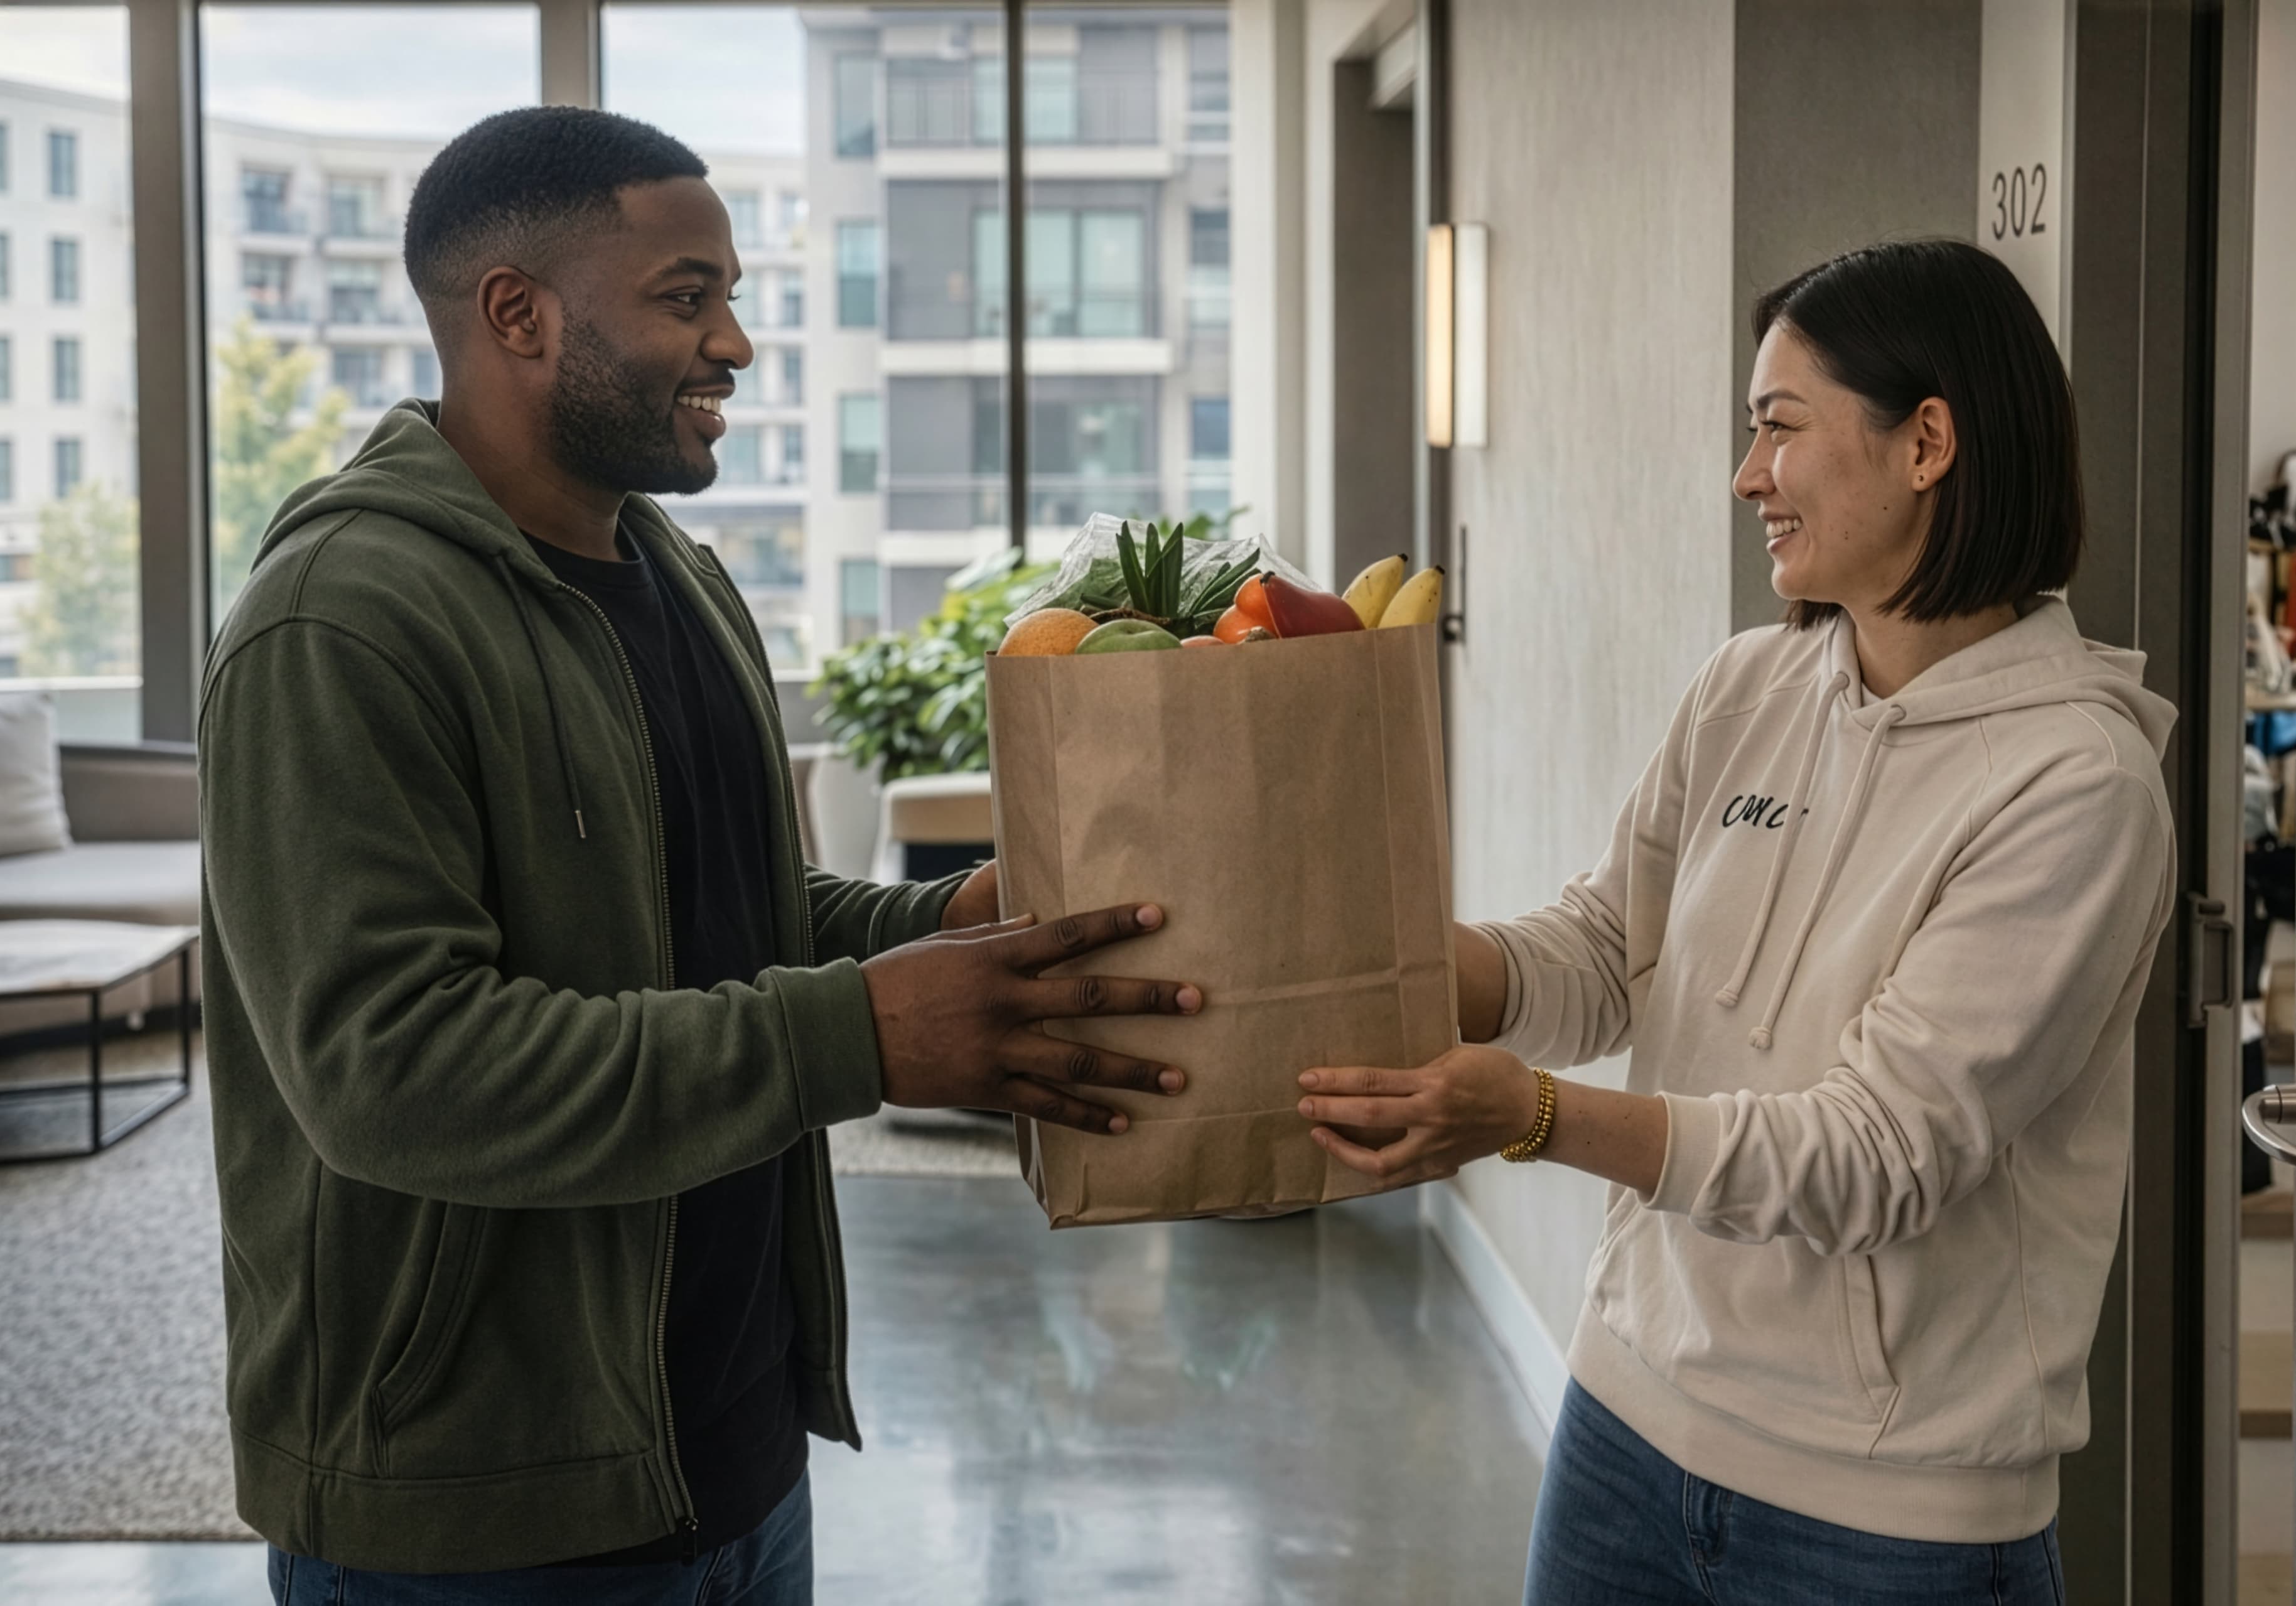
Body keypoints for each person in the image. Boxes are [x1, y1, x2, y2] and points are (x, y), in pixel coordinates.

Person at [199, 106, 1199, 1604]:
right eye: (688, 297)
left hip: (730, 1457)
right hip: (482, 1514)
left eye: (732, 298)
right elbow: (392, 1071)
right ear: (517, 315)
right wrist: (860, 1033)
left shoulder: (679, 576)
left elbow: (728, 913)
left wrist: (949, 919)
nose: (735, 344)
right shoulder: (339, 622)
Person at [1300, 240, 2175, 1603]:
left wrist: (1533, 1119)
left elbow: (1878, 1151)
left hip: (1887, 1517)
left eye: (1780, 428)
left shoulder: (2078, 784)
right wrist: (1383, 963)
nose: (1745, 476)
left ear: (1929, 440)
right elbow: (1605, 948)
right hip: (1625, 1423)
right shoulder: (1749, 685)